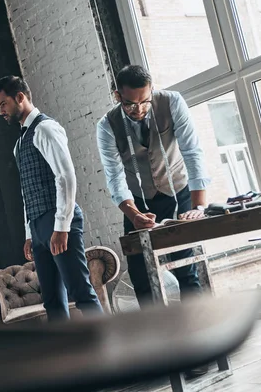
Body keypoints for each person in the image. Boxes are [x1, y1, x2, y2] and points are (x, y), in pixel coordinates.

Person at [96, 65, 210, 378]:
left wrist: (199, 207)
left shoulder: (171, 103)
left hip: (180, 194)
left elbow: (192, 151)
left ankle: (198, 351)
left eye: (144, 102)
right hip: (137, 204)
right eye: (131, 104)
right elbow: (114, 176)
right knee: (141, 277)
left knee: (186, 269)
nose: (139, 110)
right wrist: (133, 215)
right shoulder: (106, 125)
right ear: (117, 96)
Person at [0, 75, 102, 322]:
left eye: (3, 104)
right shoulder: (20, 142)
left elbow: (66, 177)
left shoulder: (46, 128)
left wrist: (61, 227)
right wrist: (30, 234)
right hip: (38, 226)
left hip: (58, 220)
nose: (1, 111)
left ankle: (111, 346)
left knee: (81, 292)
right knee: (52, 300)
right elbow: (26, 190)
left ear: (20, 97)